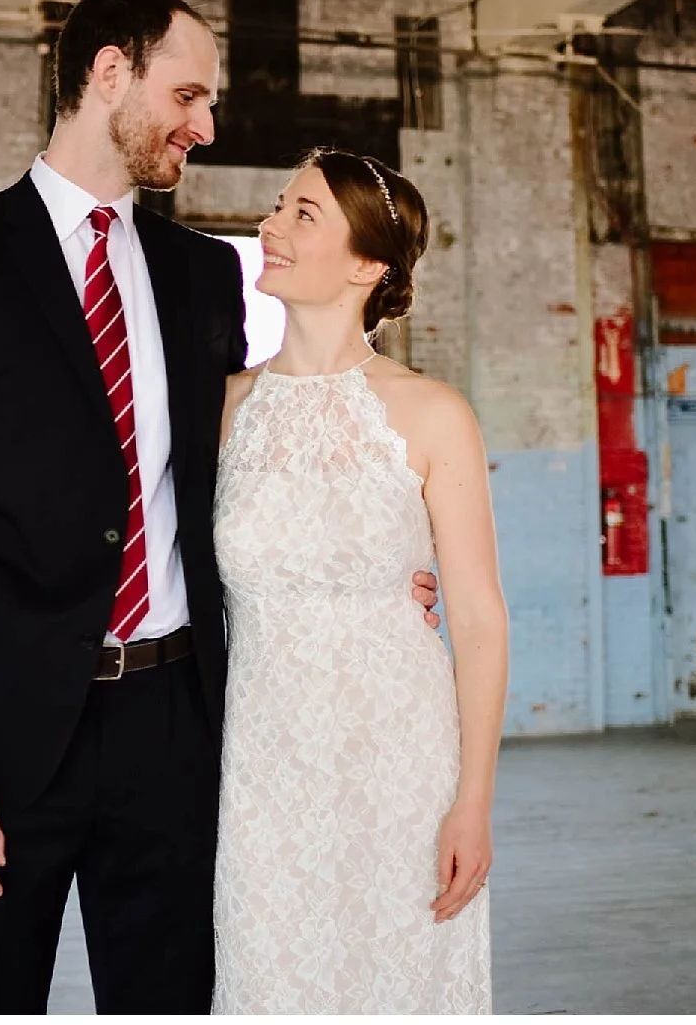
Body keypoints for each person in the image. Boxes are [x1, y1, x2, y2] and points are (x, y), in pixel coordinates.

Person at [0, 0, 439, 1014]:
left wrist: (380, 566)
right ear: (111, 72)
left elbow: (247, 458)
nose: (205, 126)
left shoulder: (200, 276)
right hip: (2, 740)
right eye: (190, 95)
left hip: (175, 725)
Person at [211, 149, 509, 1014]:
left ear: (367, 264)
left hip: (403, 771)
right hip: (264, 771)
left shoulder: (432, 412)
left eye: (302, 213)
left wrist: (473, 803)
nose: (269, 225)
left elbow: (481, 620)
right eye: (276, 207)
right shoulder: (223, 407)